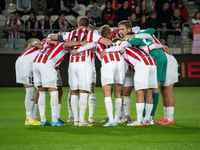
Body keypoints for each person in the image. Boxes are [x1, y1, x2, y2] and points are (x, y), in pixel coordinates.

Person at [67, 16, 111, 127]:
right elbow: (107, 42)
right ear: (88, 26)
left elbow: (63, 44)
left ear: (78, 25)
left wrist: (77, 45)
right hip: (85, 64)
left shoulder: (71, 33)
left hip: (72, 64)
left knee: (74, 92)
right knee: (83, 92)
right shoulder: (92, 34)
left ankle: (76, 120)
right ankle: (82, 120)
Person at [32, 37, 87, 126]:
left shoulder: (49, 44)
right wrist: (80, 43)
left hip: (36, 63)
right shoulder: (61, 44)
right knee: (54, 92)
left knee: (42, 92)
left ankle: (43, 120)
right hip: (47, 64)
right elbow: (66, 44)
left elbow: (45, 42)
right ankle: (54, 120)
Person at [15, 40, 44, 125]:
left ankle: (33, 116)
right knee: (30, 90)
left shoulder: (41, 44)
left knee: (39, 88)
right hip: (25, 65)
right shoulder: (45, 45)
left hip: (26, 63)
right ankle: (29, 118)